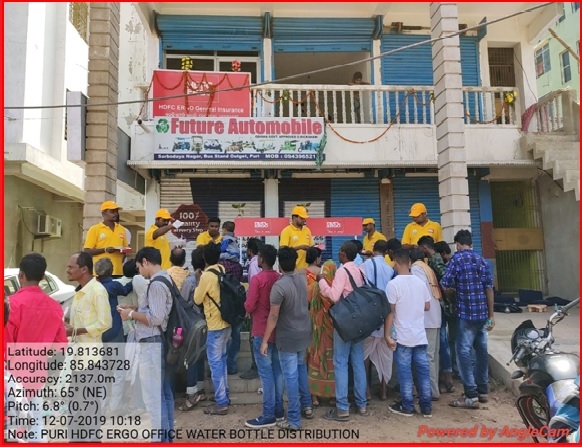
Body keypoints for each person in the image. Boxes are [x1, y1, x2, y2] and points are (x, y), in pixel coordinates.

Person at [4, 253, 68, 442]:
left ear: (20, 276)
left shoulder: (12, 304)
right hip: (38, 375)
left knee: (13, 429)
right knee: (37, 422)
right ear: (42, 277)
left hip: (12, 376)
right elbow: (60, 346)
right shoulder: (55, 306)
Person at [118, 247, 174, 442]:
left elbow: (156, 317)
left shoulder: (157, 284)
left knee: (153, 399)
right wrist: (133, 308)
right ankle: (166, 438)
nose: (139, 271)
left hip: (151, 343)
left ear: (145, 262)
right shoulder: (166, 278)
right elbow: (156, 310)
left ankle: (159, 440)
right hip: (157, 341)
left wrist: (131, 315)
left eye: (139, 267)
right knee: (164, 395)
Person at [441, 230, 495, 410]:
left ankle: (470, 395)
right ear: (471, 243)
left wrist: (453, 292)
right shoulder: (481, 260)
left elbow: (446, 283)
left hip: (466, 314)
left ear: (457, 244)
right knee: (481, 351)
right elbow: (489, 289)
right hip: (482, 314)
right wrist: (491, 315)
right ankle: (482, 390)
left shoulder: (456, 259)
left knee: (463, 352)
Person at [261, 247, 313, 431]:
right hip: (304, 332)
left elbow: (273, 317)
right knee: (300, 369)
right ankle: (307, 405)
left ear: (278, 264)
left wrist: (265, 340)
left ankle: (294, 420)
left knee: (290, 376)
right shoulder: (301, 277)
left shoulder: (279, 286)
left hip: (288, 336)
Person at [65, 251, 112, 441]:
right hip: (77, 359)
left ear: (84, 269)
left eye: (71, 267)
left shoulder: (97, 291)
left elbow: (104, 323)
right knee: (76, 410)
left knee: (89, 411)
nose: (67, 270)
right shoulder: (79, 292)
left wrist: (75, 330)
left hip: (90, 361)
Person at [318, 241, 368, 421]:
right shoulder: (361, 269)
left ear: (344, 254)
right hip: (359, 321)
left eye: (340, 251)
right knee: (357, 362)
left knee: (340, 362)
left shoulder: (342, 271)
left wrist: (322, 282)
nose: (338, 254)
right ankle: (362, 405)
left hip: (345, 322)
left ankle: (342, 408)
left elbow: (333, 296)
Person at [384, 249, 433, 418]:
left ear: (395, 263)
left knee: (405, 373)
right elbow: (427, 306)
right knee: (423, 372)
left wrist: (387, 336)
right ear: (410, 263)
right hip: (420, 335)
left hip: (403, 337)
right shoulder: (420, 282)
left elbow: (390, 312)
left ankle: (407, 406)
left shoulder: (393, 285)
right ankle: (426, 408)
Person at [244, 244, 285, 428]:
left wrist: (245, 307)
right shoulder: (279, 278)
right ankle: (278, 411)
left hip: (261, 330)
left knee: (266, 374)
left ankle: (268, 415)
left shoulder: (257, 279)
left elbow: (250, 306)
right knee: (277, 371)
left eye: (259, 256)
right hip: (277, 331)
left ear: (262, 259)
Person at [194, 242, 232, 415]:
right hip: (226, 322)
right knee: (222, 360)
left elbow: (197, 299)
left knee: (215, 363)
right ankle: (224, 394)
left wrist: (197, 280)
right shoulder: (222, 270)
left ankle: (221, 402)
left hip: (215, 325)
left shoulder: (206, 276)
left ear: (204, 258)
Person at [418, 236, 454, 394]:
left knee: (440, 344)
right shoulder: (431, 262)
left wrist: (445, 291)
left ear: (425, 248)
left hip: (440, 305)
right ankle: (444, 377)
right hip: (439, 306)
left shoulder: (434, 260)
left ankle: (445, 376)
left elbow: (447, 278)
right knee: (439, 345)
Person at [362, 240, 394, 401]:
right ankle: (383, 390)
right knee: (385, 355)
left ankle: (366, 390)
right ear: (387, 252)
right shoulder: (389, 269)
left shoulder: (366, 265)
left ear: (373, 249)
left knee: (365, 354)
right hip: (386, 316)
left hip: (369, 315)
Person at [410, 248, 442, 401]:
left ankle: (431, 391)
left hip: (427, 318)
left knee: (428, 356)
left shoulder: (416, 269)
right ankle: (434, 389)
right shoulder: (427, 267)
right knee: (433, 355)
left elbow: (419, 292)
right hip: (435, 317)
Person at [305, 250, 336, 407]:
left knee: (314, 359)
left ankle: (314, 397)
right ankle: (332, 396)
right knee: (331, 361)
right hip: (331, 332)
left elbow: (306, 303)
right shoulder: (335, 291)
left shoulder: (313, 287)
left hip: (316, 330)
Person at [178, 247, 207, 411]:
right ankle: (200, 389)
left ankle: (191, 393)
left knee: (190, 357)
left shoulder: (189, 281)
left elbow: (182, 302)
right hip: (205, 321)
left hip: (191, 323)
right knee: (200, 355)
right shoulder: (208, 279)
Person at [218, 221, 243, 376]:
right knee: (236, 334)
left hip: (222, 305)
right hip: (237, 305)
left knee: (222, 336)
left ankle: (222, 366)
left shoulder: (220, 266)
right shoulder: (238, 266)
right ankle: (232, 365)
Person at [83, 200, 129, 276]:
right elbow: (87, 250)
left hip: (118, 271)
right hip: (101, 273)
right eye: (112, 212)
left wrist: (124, 251)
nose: (116, 214)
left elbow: (126, 248)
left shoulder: (121, 229)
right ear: (103, 213)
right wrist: (105, 250)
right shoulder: (95, 229)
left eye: (116, 211)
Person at [240, 237, 263, 380]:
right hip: (263, 306)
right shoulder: (258, 263)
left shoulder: (254, 264)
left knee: (253, 337)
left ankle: (256, 366)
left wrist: (249, 308)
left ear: (249, 250)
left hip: (256, 307)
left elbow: (255, 287)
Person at [279, 206, 314, 270]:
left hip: (306, 269)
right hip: (292, 270)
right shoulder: (286, 231)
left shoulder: (307, 230)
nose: (304, 220)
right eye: (301, 218)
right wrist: (300, 247)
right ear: (294, 218)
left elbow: (311, 247)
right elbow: (283, 251)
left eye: (304, 218)